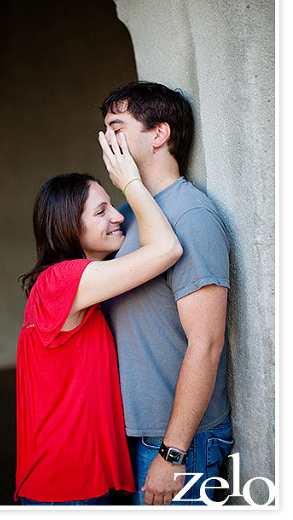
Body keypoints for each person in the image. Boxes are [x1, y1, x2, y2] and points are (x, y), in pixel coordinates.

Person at [15, 128, 183, 505]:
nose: (118, 217)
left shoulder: (72, 282)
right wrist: (132, 183)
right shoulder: (63, 281)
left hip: (80, 480)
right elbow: (167, 248)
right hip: (68, 486)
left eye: (113, 204)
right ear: (69, 227)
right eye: (101, 211)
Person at [100, 81, 233, 506]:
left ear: (160, 134)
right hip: (137, 434)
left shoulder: (190, 215)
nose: (107, 140)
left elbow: (207, 343)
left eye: (117, 127)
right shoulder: (124, 217)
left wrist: (173, 453)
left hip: (181, 443)